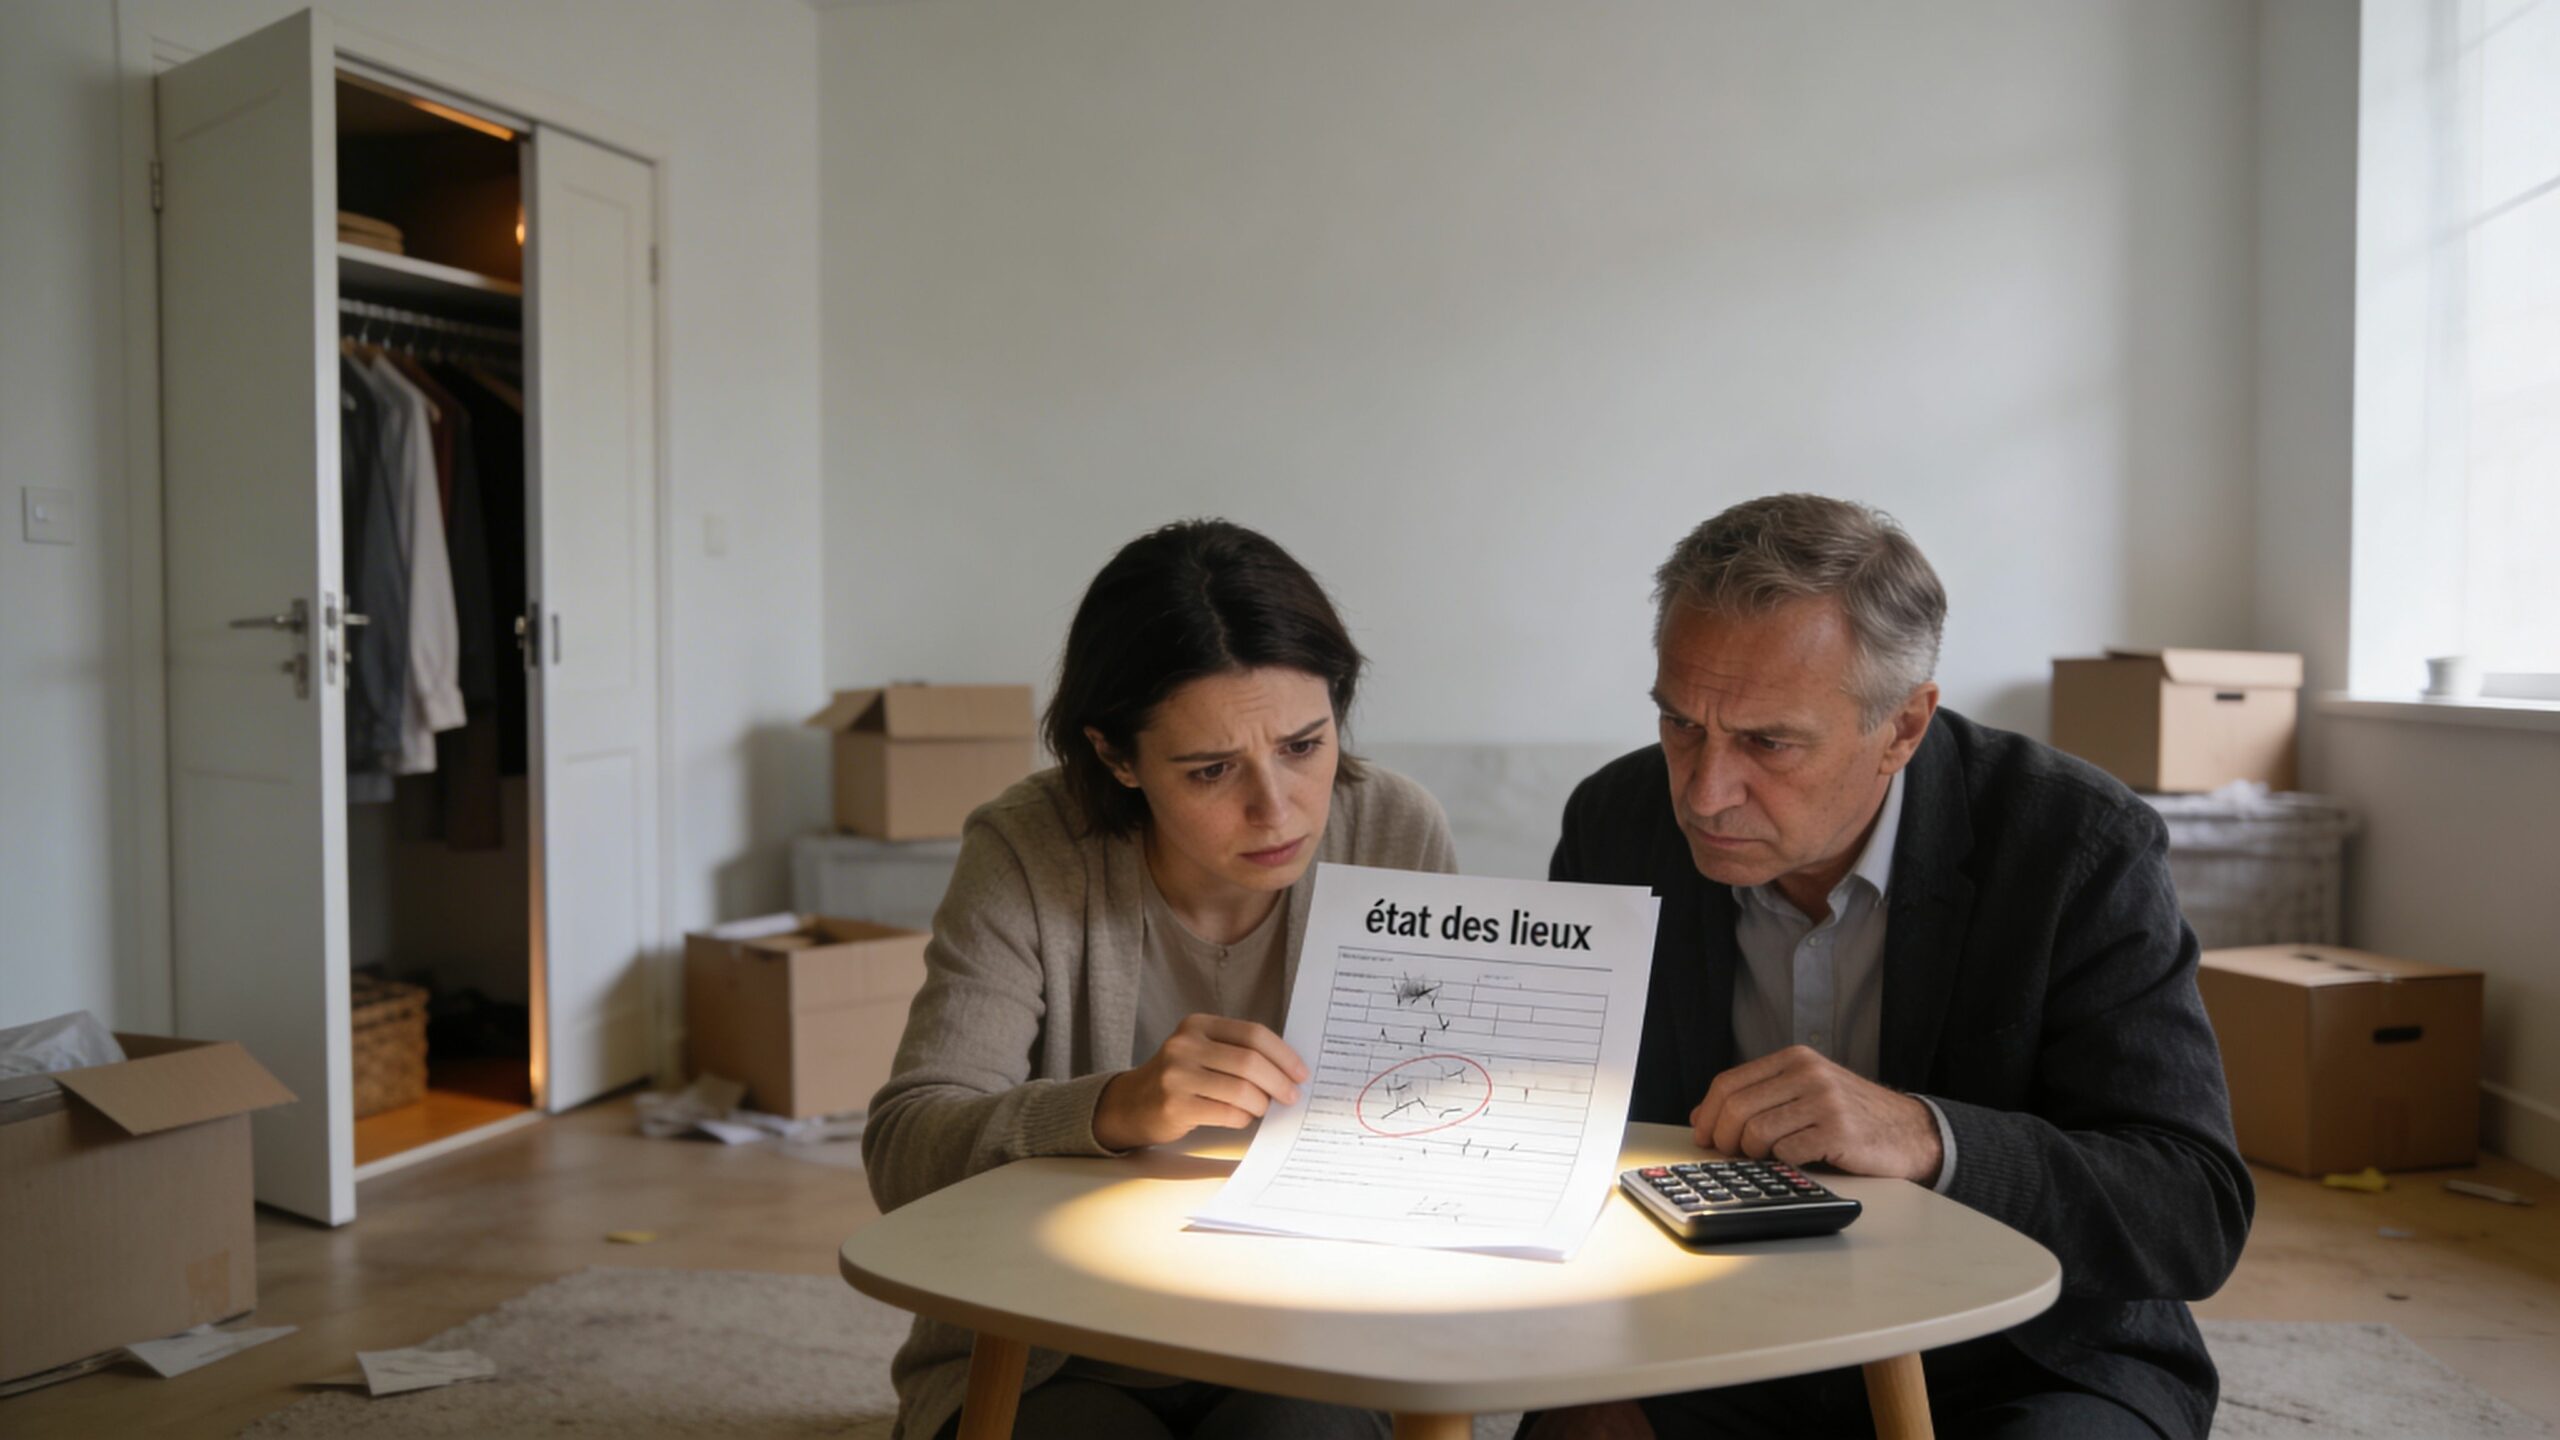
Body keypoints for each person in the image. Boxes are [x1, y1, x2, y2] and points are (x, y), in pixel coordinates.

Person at [1532, 495, 2253, 1440]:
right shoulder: (1616, 822)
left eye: (1768, 742)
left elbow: (2189, 1207)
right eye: (1681, 725)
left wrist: (1927, 1136)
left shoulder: (2075, 842)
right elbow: (1564, 1120)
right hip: (1711, 1336)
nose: (1703, 794)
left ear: (1905, 728)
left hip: (2025, 1351)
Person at [863, 518, 1457, 1440]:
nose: (1276, 807)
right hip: (1057, 1343)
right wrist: (1111, 1111)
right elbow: (903, 1151)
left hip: (1307, 1339)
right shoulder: (1029, 849)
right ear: (1113, 755)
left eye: (1305, 745)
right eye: (1212, 769)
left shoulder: (1393, 832)